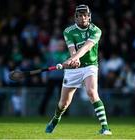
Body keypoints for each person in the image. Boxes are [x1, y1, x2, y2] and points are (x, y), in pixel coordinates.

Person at [45, 4, 112, 135]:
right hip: (73, 70)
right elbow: (72, 49)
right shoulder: (68, 31)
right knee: (63, 103)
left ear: (89, 16)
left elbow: (86, 47)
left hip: (90, 66)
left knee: (92, 92)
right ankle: (55, 119)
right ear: (76, 17)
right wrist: (73, 59)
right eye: (80, 15)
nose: (83, 18)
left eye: (85, 15)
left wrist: (74, 57)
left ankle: (105, 127)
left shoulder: (96, 31)